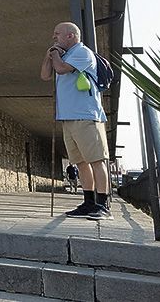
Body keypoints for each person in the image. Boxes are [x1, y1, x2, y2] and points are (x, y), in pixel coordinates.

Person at [41, 22, 110, 220]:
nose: (54, 37)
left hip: (86, 116)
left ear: (70, 36)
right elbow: (46, 75)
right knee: (80, 162)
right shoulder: (62, 55)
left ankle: (102, 204)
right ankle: (88, 202)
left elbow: (61, 69)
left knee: (96, 160)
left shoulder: (83, 53)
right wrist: (49, 56)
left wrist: (55, 55)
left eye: (57, 34)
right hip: (68, 117)